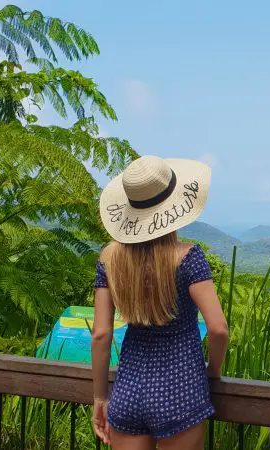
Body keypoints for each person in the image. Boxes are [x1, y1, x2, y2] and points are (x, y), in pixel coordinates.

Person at [90, 155, 229, 450]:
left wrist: (100, 397)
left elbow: (100, 334)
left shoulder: (109, 260)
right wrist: (213, 373)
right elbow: (218, 329)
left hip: (128, 392)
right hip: (181, 389)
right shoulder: (189, 258)